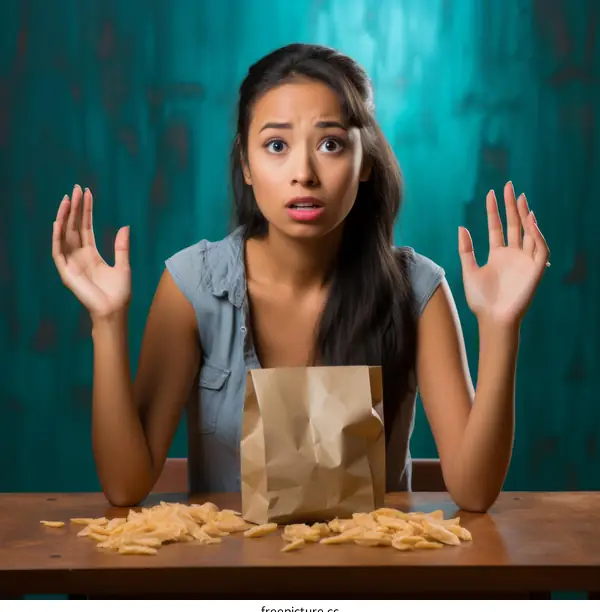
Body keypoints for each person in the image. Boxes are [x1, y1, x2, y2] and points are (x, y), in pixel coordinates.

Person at [51, 43, 549, 512]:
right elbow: (124, 485)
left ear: (366, 162)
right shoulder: (192, 286)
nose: (303, 172)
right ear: (245, 164)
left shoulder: (417, 289)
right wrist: (107, 321)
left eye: (330, 143)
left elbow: (474, 491)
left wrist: (501, 327)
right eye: (276, 145)